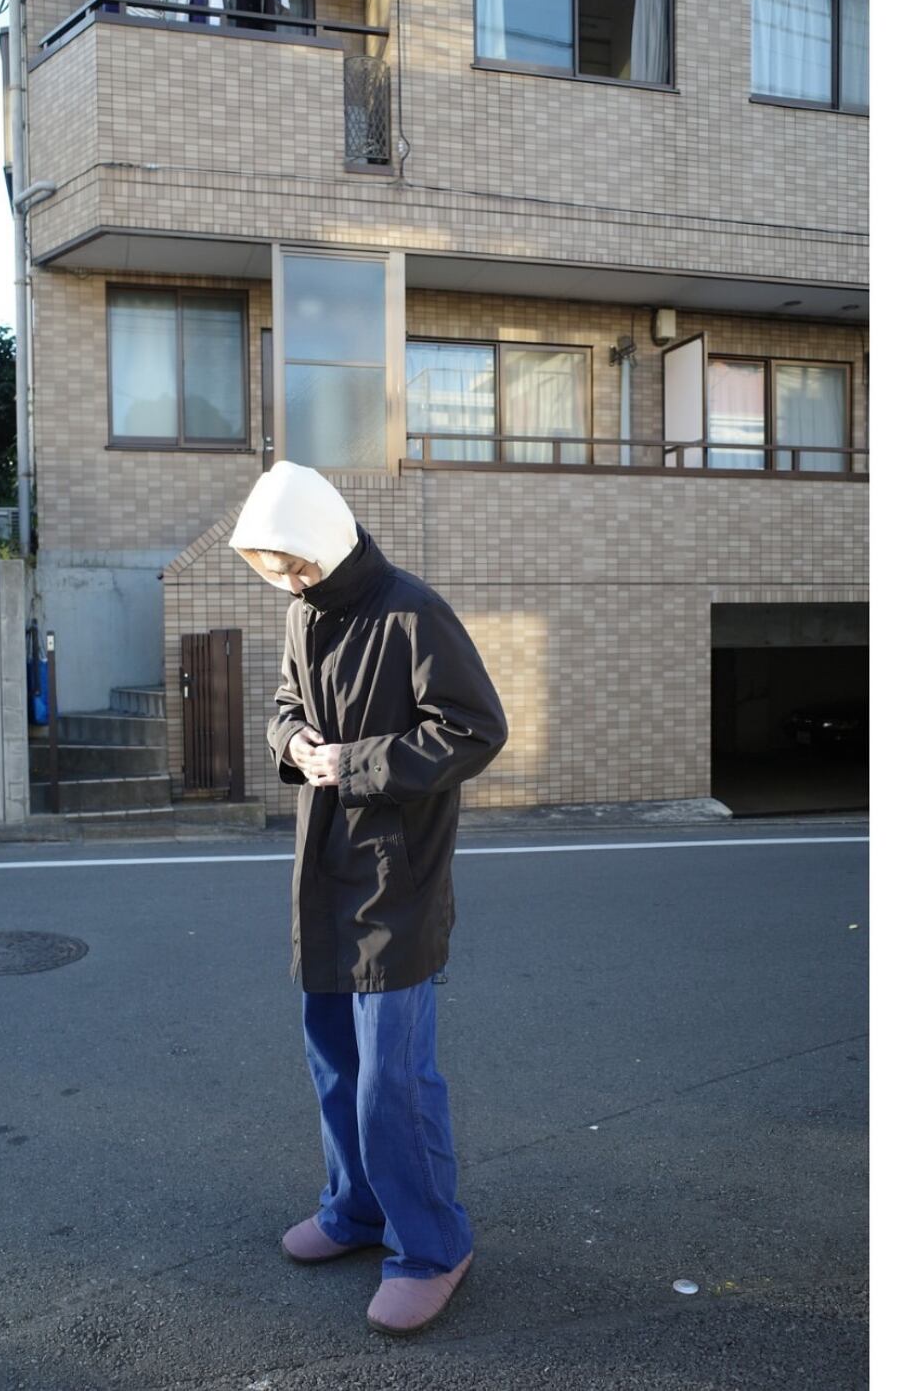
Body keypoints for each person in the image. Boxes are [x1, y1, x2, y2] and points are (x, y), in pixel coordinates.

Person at [229, 460, 508, 1336]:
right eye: (273, 568)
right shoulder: (303, 613)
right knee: (334, 1060)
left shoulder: (412, 610)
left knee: (394, 1079)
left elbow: (476, 729)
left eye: (295, 563)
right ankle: (354, 1209)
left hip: (399, 881)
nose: (288, 580)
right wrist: (293, 741)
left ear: (325, 538)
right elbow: (284, 703)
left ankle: (432, 1246)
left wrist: (352, 762)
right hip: (322, 869)